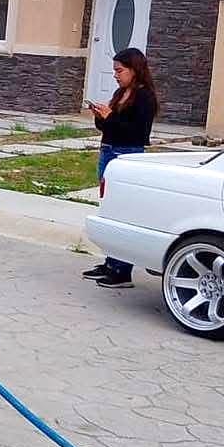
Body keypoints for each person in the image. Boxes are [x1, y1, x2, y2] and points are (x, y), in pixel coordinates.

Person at [83, 48, 158, 288]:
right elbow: (109, 128)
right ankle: (110, 262)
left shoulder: (144, 97)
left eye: (119, 70)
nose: (115, 75)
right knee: (109, 209)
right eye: (114, 70)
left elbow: (137, 133)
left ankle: (122, 270)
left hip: (127, 155)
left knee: (123, 211)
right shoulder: (120, 93)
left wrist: (111, 118)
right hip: (108, 150)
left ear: (135, 70)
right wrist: (100, 116)